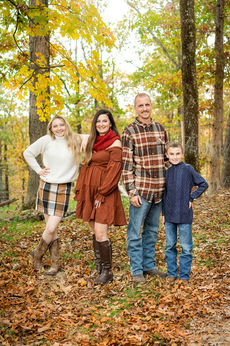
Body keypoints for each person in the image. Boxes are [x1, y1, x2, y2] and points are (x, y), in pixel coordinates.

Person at [23, 115, 86, 276]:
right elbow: (28, 153)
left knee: (51, 227)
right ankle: (55, 264)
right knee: (52, 229)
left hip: (64, 188)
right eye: (55, 126)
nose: (59, 128)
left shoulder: (75, 139)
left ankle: (37, 254)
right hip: (46, 186)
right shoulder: (46, 140)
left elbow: (95, 136)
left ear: (66, 125)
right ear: (51, 128)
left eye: (61, 125)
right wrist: (38, 170)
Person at [74, 109, 126, 285]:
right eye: (98, 121)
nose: (101, 124)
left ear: (110, 123)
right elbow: (69, 135)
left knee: (101, 231)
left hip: (104, 192)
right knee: (94, 229)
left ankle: (107, 272)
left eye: (105, 121)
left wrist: (102, 193)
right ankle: (99, 267)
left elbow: (114, 171)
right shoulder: (93, 141)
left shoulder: (115, 143)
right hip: (89, 191)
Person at [122, 93, 169, 283]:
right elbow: (126, 166)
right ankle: (136, 270)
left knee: (151, 231)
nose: (144, 109)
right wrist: (131, 192)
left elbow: (167, 161)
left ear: (151, 106)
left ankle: (149, 266)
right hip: (141, 192)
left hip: (159, 191)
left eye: (147, 105)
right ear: (135, 108)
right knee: (135, 232)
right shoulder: (129, 132)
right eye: (140, 106)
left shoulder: (160, 129)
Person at [162, 142, 208, 284]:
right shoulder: (167, 172)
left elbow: (203, 184)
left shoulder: (188, 169)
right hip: (169, 215)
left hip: (184, 214)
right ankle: (171, 274)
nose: (175, 157)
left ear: (182, 154)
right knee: (170, 245)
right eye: (171, 154)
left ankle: (184, 276)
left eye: (177, 154)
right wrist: (163, 214)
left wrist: (192, 197)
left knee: (186, 247)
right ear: (167, 155)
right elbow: (165, 194)